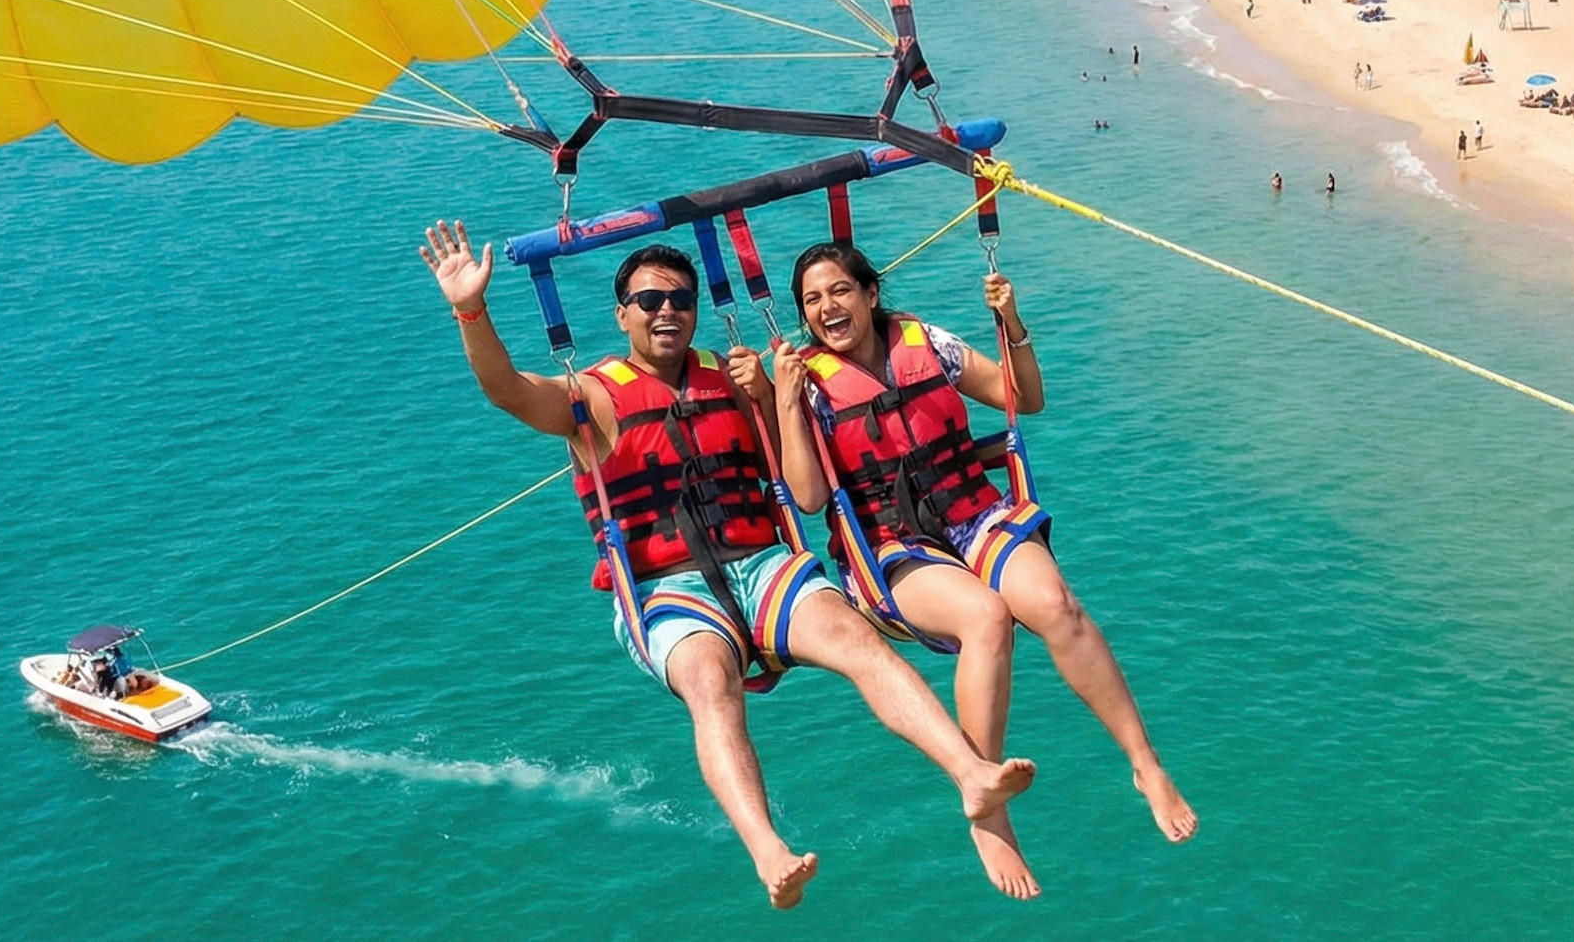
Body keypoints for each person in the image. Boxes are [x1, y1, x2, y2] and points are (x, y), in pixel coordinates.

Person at [420, 224, 1037, 906]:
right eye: (649, 300)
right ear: (621, 312)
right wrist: (470, 311)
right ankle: (768, 850)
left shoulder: (734, 376)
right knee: (711, 683)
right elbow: (506, 389)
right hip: (665, 588)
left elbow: (798, 466)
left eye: (681, 299)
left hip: (764, 564)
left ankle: (970, 776)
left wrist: (771, 398)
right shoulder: (590, 397)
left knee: (855, 639)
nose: (667, 312)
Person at [769, 245, 1198, 862]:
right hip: (892, 549)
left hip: (974, 515)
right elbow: (808, 499)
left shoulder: (925, 342)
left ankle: (1145, 765)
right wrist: (783, 401)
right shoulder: (804, 383)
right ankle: (986, 805)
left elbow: (1024, 396)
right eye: (812, 300)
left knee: (1057, 607)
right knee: (987, 618)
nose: (826, 308)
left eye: (839, 291)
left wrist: (1013, 321)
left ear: (869, 294)